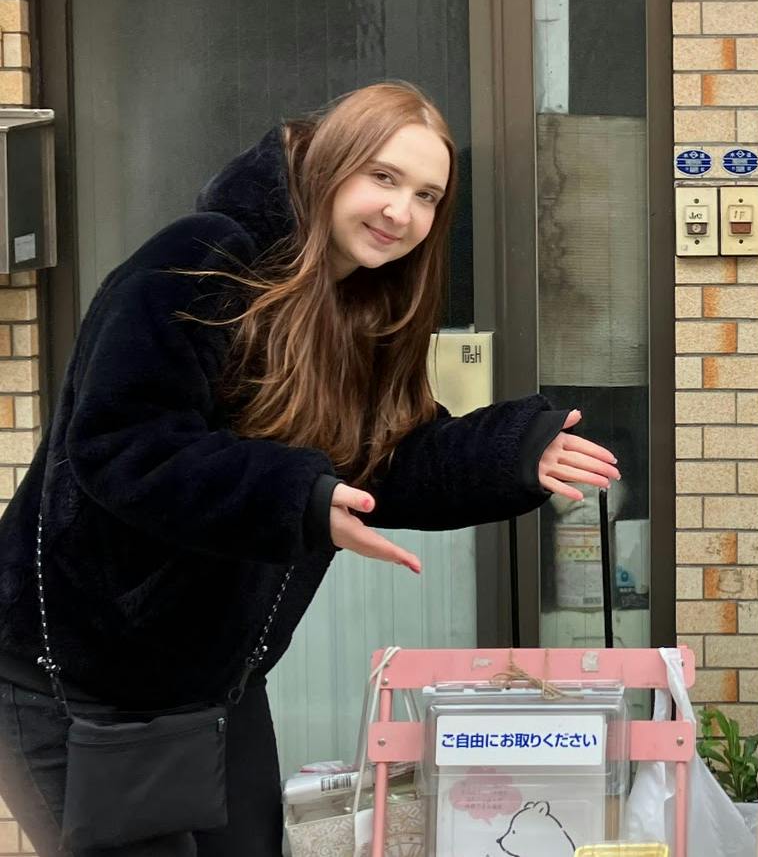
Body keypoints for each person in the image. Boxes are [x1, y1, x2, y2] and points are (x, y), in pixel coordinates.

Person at [0, 82, 621, 856]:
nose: (403, 212)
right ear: (329, 167)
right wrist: (297, 496)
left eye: (427, 195)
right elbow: (125, 445)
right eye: (383, 178)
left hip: (215, 680)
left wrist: (513, 452)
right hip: (78, 681)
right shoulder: (198, 263)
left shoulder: (360, 304)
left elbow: (388, 456)